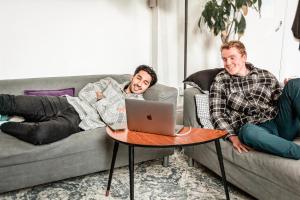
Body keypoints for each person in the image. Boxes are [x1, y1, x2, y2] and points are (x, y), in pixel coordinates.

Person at [0, 65, 157, 145]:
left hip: (79, 121)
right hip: (67, 102)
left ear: (147, 87)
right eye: (138, 78)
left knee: (40, 135)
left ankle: (4, 123)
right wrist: (106, 106)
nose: (139, 84)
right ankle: (18, 114)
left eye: (145, 83)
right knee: (14, 102)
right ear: (133, 76)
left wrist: (100, 98)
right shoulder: (110, 82)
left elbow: (110, 119)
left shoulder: (136, 106)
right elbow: (85, 92)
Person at [209, 40, 300, 159]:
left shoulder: (264, 75)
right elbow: (216, 114)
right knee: (247, 132)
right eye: (224, 59)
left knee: (294, 84)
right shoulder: (220, 81)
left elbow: (279, 99)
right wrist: (232, 136)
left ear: (244, 57)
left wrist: (287, 89)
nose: (228, 63)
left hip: (279, 121)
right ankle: (296, 151)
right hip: (257, 129)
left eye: (232, 58)